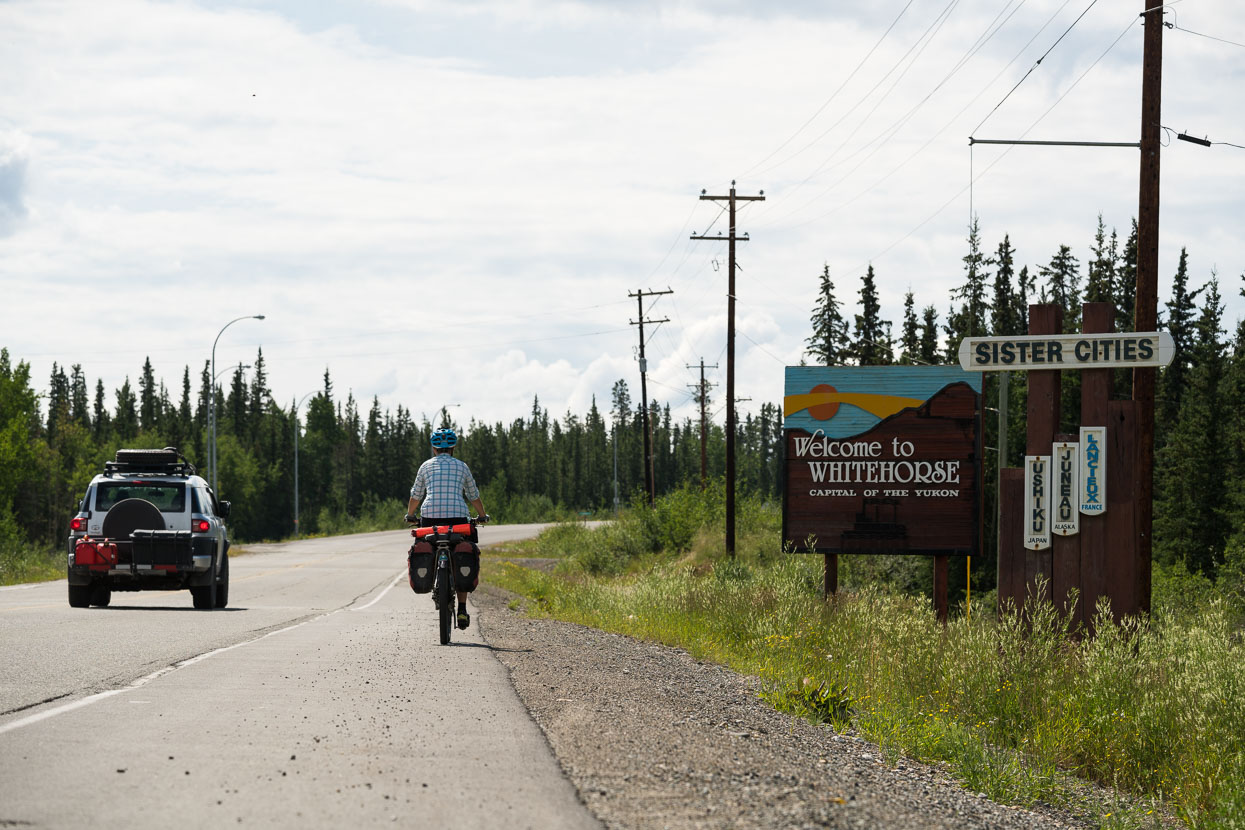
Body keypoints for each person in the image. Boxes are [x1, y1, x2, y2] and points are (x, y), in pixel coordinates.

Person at [405, 427, 488, 629]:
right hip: (458, 518)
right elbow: (473, 495)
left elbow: (416, 495)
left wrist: (410, 515)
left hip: (430, 519)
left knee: (428, 547)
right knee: (461, 552)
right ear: (452, 448)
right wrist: (482, 516)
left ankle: (434, 575)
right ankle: (461, 608)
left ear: (434, 448)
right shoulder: (462, 466)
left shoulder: (425, 466)